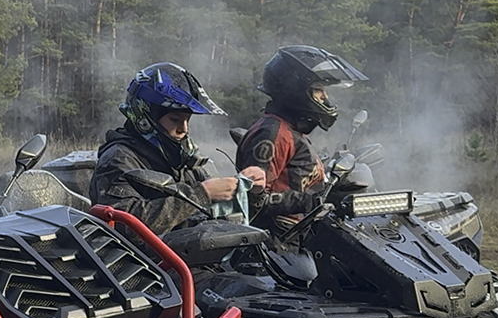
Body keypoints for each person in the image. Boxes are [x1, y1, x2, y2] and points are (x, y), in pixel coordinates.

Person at [91, 62, 265, 235]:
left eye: (187, 120)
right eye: (175, 120)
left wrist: (251, 193)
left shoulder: (183, 160)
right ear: (145, 117)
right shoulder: (119, 159)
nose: (184, 129)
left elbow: (229, 223)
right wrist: (201, 194)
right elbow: (124, 226)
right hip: (143, 254)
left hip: (191, 251)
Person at [239, 45, 368, 234]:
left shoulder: (290, 131)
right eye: (318, 89)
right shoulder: (273, 135)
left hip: (302, 231)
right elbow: (254, 200)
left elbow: (293, 177)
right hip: (280, 238)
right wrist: (319, 199)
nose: (325, 97)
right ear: (295, 91)